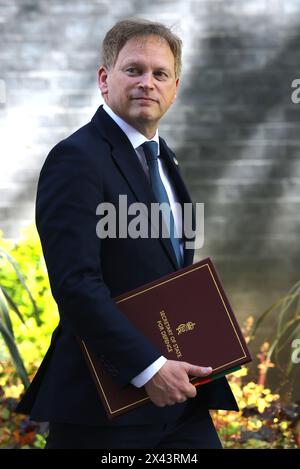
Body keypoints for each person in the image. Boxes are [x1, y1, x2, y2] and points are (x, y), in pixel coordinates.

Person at [16, 18, 238, 449]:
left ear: (175, 87)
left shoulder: (162, 158)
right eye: (133, 70)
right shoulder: (75, 159)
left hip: (178, 399)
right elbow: (76, 284)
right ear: (104, 78)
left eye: (160, 74)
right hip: (105, 405)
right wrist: (148, 368)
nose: (147, 83)